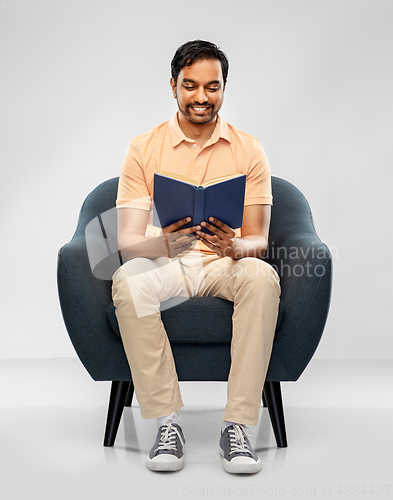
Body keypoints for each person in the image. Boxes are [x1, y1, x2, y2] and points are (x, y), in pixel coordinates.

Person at [111, 40, 281, 474]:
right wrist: (163, 244)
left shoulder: (249, 149)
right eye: (190, 86)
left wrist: (234, 246)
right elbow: (129, 241)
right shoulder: (142, 148)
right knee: (129, 280)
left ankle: (238, 427)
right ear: (173, 87)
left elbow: (257, 239)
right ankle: (168, 423)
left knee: (261, 277)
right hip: (168, 262)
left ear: (224, 88)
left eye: (212, 87)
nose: (202, 98)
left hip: (226, 262)